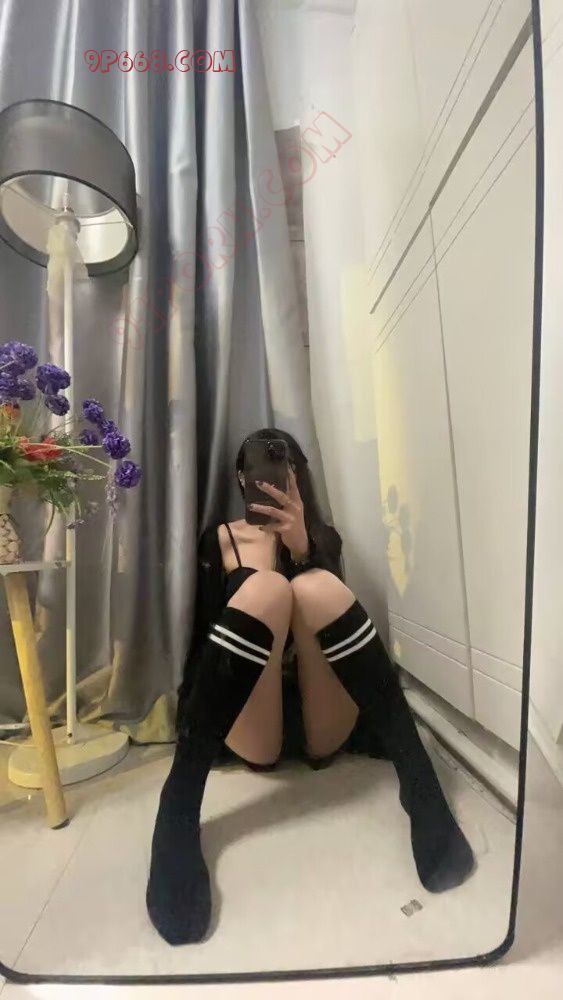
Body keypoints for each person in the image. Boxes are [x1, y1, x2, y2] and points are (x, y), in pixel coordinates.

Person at [147, 428, 474, 944]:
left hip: (323, 713)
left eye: (283, 466)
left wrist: (303, 545)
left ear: (296, 476)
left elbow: (333, 625)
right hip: (252, 717)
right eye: (257, 467)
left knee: (314, 585)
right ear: (241, 478)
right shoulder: (220, 539)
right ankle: (179, 804)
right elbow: (207, 638)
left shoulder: (324, 536)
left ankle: (419, 780)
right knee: (266, 587)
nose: (269, 477)